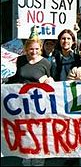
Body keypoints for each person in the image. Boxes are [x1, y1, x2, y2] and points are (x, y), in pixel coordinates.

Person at [7, 26, 54, 166]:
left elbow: (51, 81)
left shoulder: (46, 62)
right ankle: (26, 158)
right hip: (22, 104)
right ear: (26, 49)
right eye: (31, 49)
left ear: (40, 49)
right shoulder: (20, 61)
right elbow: (13, 78)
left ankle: (39, 160)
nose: (34, 52)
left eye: (36, 49)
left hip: (39, 105)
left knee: (39, 132)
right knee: (24, 132)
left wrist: (49, 81)